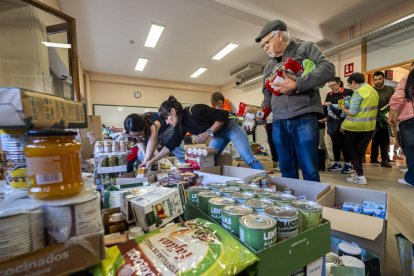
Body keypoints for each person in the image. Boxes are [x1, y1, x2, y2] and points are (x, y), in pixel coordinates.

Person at [255, 19, 335, 181]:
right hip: (278, 121)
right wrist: (259, 114)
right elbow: (267, 95)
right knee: (286, 169)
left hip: (304, 117)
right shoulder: (269, 66)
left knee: (309, 168)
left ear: (279, 35)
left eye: (267, 43)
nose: (265, 49)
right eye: (263, 46)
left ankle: (311, 205)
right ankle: (290, 205)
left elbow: (328, 69)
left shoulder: (305, 48)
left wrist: (297, 84)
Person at [140, 96, 264, 170]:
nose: (167, 122)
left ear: (173, 111)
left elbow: (223, 115)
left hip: (231, 128)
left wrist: (208, 132)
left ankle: (266, 182)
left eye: (167, 118)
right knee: (208, 160)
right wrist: (152, 160)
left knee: (248, 157)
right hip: (218, 135)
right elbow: (170, 145)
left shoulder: (195, 110)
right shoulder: (181, 125)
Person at [341, 73, 379, 185]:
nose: (351, 87)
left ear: (353, 82)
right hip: (370, 126)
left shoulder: (358, 92)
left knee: (352, 152)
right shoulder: (373, 91)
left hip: (354, 127)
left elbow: (352, 112)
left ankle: (360, 176)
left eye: (350, 85)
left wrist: (343, 108)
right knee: (360, 152)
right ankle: (358, 174)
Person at [389, 67, 414, 186]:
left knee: (410, 150)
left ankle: (411, 179)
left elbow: (397, 98)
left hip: (409, 119)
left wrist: (391, 116)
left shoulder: (407, 79)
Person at [324, 77, 354, 174]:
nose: (332, 87)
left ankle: (348, 164)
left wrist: (331, 103)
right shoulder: (329, 94)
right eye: (330, 86)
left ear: (339, 83)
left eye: (334, 85)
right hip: (332, 122)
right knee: (335, 143)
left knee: (345, 143)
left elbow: (348, 105)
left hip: (344, 121)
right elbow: (326, 106)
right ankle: (337, 163)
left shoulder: (348, 92)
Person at [370, 71, 395, 168]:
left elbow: (395, 102)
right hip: (372, 118)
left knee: (384, 139)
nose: (377, 81)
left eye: (379, 79)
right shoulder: (371, 90)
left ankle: (384, 159)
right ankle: (373, 158)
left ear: (383, 78)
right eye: (375, 80)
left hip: (385, 118)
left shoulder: (390, 89)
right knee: (374, 139)